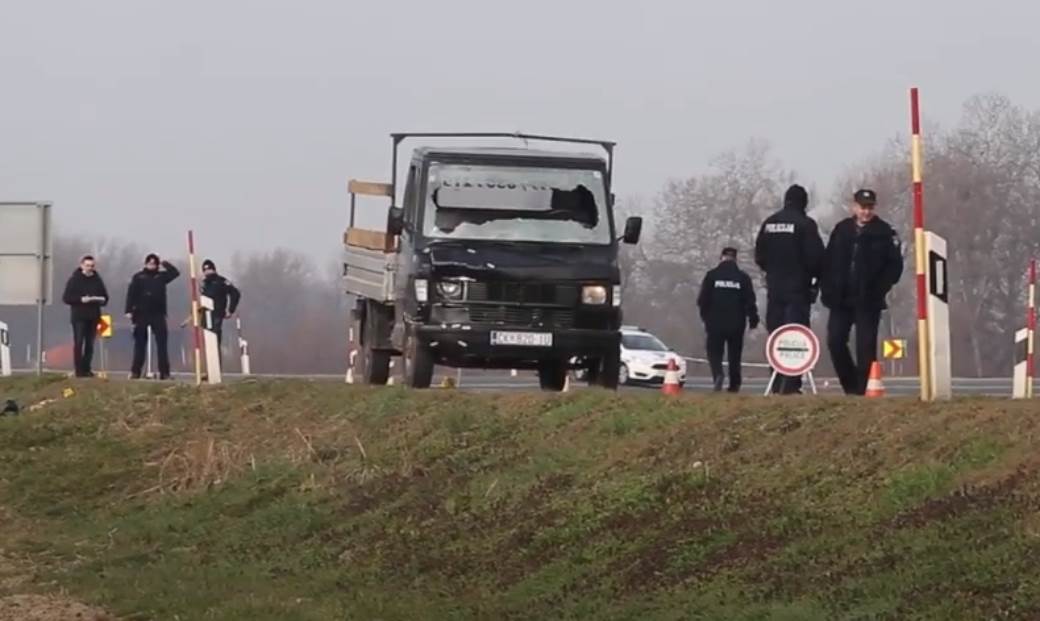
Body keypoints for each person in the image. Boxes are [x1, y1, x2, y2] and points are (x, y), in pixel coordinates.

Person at [821, 189, 904, 395]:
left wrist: (880, 289)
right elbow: (828, 260)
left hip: (868, 299)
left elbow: (894, 267)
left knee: (865, 347)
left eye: (869, 207)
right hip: (841, 298)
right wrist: (827, 288)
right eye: (862, 207)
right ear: (854, 207)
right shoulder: (842, 230)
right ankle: (850, 386)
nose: (866, 212)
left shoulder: (884, 232)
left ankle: (862, 389)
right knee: (835, 341)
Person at [754, 184, 825, 394]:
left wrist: (773, 271)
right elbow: (816, 258)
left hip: (775, 288)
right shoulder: (805, 224)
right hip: (798, 289)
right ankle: (791, 384)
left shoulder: (770, 223)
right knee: (796, 336)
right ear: (804, 202)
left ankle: (775, 381)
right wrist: (814, 282)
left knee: (776, 335)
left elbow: (760, 256)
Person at [697, 247, 759, 392]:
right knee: (734, 355)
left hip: (715, 322)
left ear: (721, 257)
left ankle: (718, 374)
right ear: (735, 259)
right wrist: (753, 320)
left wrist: (706, 318)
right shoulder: (743, 278)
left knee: (714, 352)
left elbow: (702, 300)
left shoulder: (712, 276)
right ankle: (734, 384)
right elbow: (750, 300)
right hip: (736, 322)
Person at [125, 254, 180, 379]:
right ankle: (135, 371)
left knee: (162, 344)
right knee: (139, 344)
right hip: (141, 313)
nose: (152, 266)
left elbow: (175, 273)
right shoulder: (138, 277)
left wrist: (164, 263)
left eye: (154, 264)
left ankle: (164, 372)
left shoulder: (161, 276)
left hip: (158, 313)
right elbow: (131, 293)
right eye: (149, 263)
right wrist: (128, 310)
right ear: (145, 264)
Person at [61, 255, 109, 377]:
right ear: (82, 265)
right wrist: (81, 300)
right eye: (87, 266)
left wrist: (100, 300)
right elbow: (66, 298)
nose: (89, 268)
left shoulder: (97, 280)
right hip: (79, 316)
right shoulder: (75, 279)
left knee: (90, 344)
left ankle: (87, 369)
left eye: (92, 266)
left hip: (93, 316)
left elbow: (105, 297)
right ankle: (79, 370)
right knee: (79, 342)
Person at [198, 259, 241, 356]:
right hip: (205, 316)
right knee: (208, 342)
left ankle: (217, 365)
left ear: (214, 269)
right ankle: (210, 366)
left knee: (215, 339)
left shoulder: (222, 281)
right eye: (205, 270)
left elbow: (235, 293)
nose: (207, 272)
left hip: (217, 313)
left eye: (209, 269)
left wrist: (230, 310)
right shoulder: (203, 284)